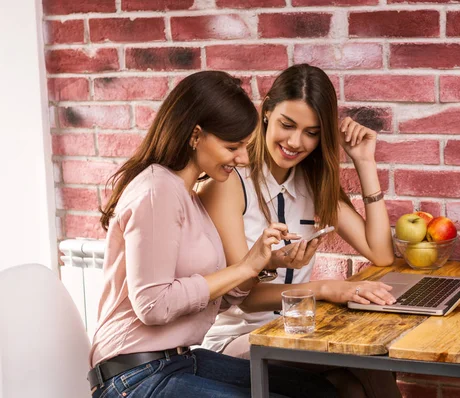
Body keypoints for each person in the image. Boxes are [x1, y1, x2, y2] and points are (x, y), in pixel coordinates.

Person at [89, 71, 337, 398]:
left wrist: (261, 262)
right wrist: (243, 269)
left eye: (245, 147)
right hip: (134, 376)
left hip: (178, 361)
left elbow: (216, 300)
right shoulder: (157, 190)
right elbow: (153, 304)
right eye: (232, 146)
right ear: (196, 135)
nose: (242, 158)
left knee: (319, 391)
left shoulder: (189, 195)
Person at [198, 64, 401, 398]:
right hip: (238, 339)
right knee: (363, 368)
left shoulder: (311, 181)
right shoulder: (230, 181)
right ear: (265, 114)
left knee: (360, 377)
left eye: (312, 132)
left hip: (298, 330)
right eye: (287, 125)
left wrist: (365, 162)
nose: (295, 142)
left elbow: (379, 253)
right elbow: (244, 299)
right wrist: (323, 289)